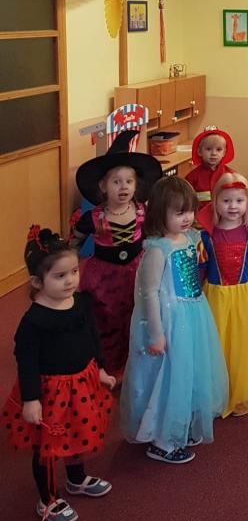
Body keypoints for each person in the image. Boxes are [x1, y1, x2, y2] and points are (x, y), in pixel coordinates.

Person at [2, 227, 114, 521]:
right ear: (37, 282)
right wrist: (31, 400)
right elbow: (26, 362)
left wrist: (101, 368)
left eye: (74, 271)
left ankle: (76, 480)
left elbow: (92, 338)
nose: (71, 280)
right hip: (50, 392)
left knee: (78, 434)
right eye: (60, 276)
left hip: (81, 383)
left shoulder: (80, 303)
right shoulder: (33, 321)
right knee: (48, 447)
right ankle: (48, 498)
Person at [121, 177, 228, 464]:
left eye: (190, 211)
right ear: (160, 214)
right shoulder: (157, 250)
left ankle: (179, 424)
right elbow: (149, 293)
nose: (187, 218)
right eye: (179, 212)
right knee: (169, 375)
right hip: (170, 320)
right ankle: (162, 440)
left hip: (193, 313)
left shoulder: (190, 238)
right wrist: (156, 334)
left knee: (189, 369)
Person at [70, 129, 163, 375]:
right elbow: (74, 245)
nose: (123, 187)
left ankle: (136, 363)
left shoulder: (143, 211)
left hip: (136, 273)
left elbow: (153, 238)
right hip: (103, 279)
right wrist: (70, 269)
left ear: (136, 185)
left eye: (129, 181)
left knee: (136, 314)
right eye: (116, 182)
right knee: (106, 319)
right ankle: (109, 366)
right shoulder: (91, 217)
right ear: (103, 186)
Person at [199, 173, 248, 418]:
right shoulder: (207, 236)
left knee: (243, 344)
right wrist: (194, 298)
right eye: (226, 201)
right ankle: (220, 391)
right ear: (215, 202)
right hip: (215, 298)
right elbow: (201, 269)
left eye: (239, 201)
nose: (233, 206)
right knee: (218, 343)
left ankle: (242, 391)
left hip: (245, 297)